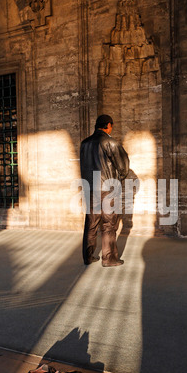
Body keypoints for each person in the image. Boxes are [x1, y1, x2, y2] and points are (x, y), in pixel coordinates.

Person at [80, 114, 130, 267]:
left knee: (91, 223)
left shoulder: (84, 143)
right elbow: (123, 166)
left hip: (90, 188)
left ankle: (88, 257)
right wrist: (119, 178)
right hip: (107, 189)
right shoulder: (110, 142)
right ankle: (109, 259)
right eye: (111, 126)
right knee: (109, 224)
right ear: (108, 125)